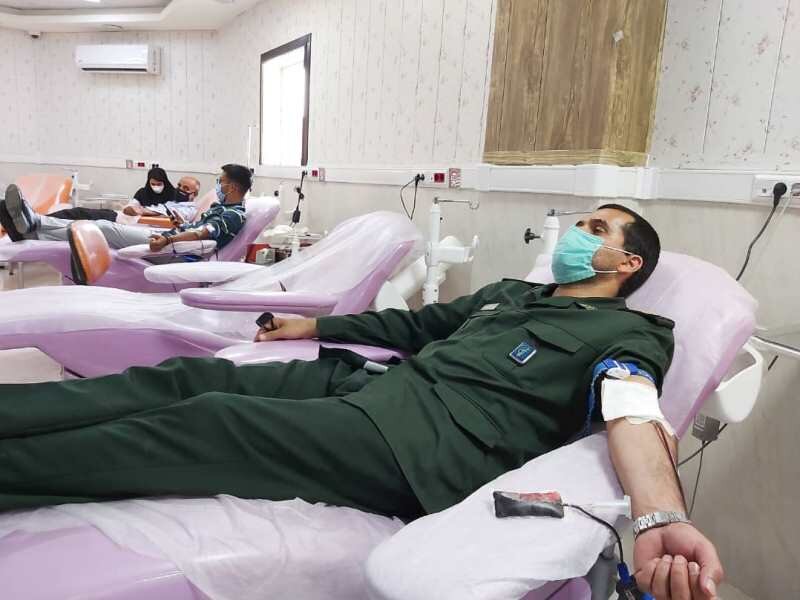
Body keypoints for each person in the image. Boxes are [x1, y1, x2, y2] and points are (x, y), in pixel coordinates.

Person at [0, 205, 722, 600]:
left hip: (427, 448)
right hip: (369, 387)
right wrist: (312, 328)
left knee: (209, 422)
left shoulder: (632, 331)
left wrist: (661, 516)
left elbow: (633, 411)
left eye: (596, 230)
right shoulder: (512, 294)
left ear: (627, 263)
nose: (577, 235)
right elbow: (415, 328)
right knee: (195, 378)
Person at [0, 165, 249, 254]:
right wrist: (175, 228)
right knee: (92, 223)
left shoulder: (233, 215)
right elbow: (198, 228)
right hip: (167, 236)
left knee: (102, 228)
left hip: (173, 247)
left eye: (221, 181)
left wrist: (167, 239)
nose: (218, 185)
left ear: (233, 187)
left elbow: (204, 233)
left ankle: (34, 225)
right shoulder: (221, 206)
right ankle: (33, 226)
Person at [47, 176, 202, 223]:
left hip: (127, 222)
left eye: (185, 188)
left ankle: (40, 221)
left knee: (78, 213)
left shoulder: (188, 209)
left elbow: (166, 216)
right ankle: (41, 220)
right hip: (124, 217)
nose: (179, 189)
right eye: (179, 185)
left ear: (194, 194)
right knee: (78, 213)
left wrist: (139, 210)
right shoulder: (174, 202)